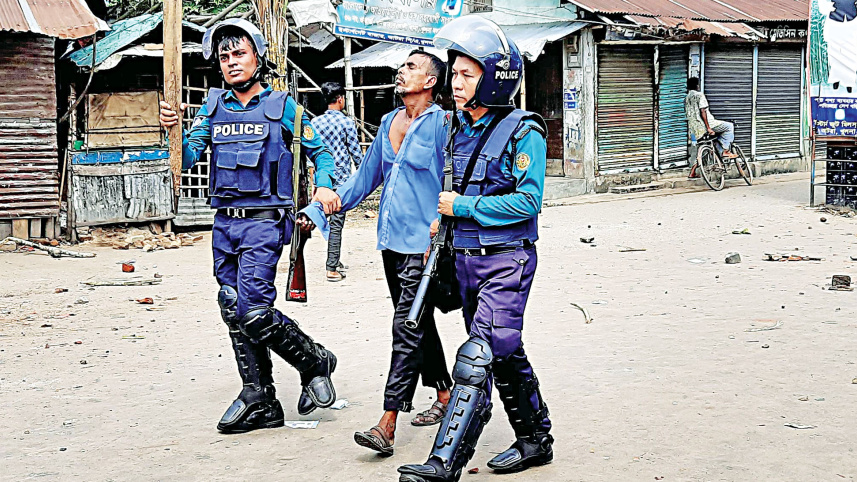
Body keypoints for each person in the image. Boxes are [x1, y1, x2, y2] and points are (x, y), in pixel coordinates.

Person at [158, 18, 341, 433]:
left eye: (239, 53)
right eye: (224, 56)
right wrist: (173, 131)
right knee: (231, 304)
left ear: (258, 58)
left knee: (254, 312)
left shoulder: (284, 107)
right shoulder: (211, 108)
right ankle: (260, 398)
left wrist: (324, 186)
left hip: (264, 222)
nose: (231, 61)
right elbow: (186, 158)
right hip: (224, 223)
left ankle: (315, 361)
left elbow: (321, 153)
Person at [397, 16, 553, 481]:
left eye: (468, 74)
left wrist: (462, 206)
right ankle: (535, 439)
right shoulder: (456, 128)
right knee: (503, 351)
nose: (456, 81)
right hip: (463, 260)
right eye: (456, 72)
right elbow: (452, 188)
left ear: (494, 79)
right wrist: (442, 222)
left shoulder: (524, 131)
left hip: (507, 261)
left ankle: (443, 464)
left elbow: (528, 201)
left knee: (477, 357)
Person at [302, 50, 453, 455]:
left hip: (425, 246)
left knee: (406, 326)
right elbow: (364, 178)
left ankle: (388, 421)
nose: (401, 71)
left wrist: (442, 229)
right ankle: (444, 395)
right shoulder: (388, 122)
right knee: (418, 322)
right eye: (402, 66)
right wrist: (320, 208)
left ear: (431, 81)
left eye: (412, 67)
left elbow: (456, 182)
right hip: (390, 243)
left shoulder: (443, 126)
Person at [310, 82, 363, 282]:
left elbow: (311, 154)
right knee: (337, 223)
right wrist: (364, 175)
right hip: (341, 182)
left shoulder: (315, 122)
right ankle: (331, 268)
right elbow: (356, 153)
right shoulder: (346, 122)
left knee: (324, 219)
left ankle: (335, 259)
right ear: (340, 99)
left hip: (322, 181)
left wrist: (314, 181)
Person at [685, 76, 738, 179]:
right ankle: (725, 150)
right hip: (706, 126)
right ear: (697, 85)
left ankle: (692, 172)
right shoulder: (699, 95)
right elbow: (703, 112)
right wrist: (708, 128)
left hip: (693, 131)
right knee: (729, 126)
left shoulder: (687, 98)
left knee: (700, 149)